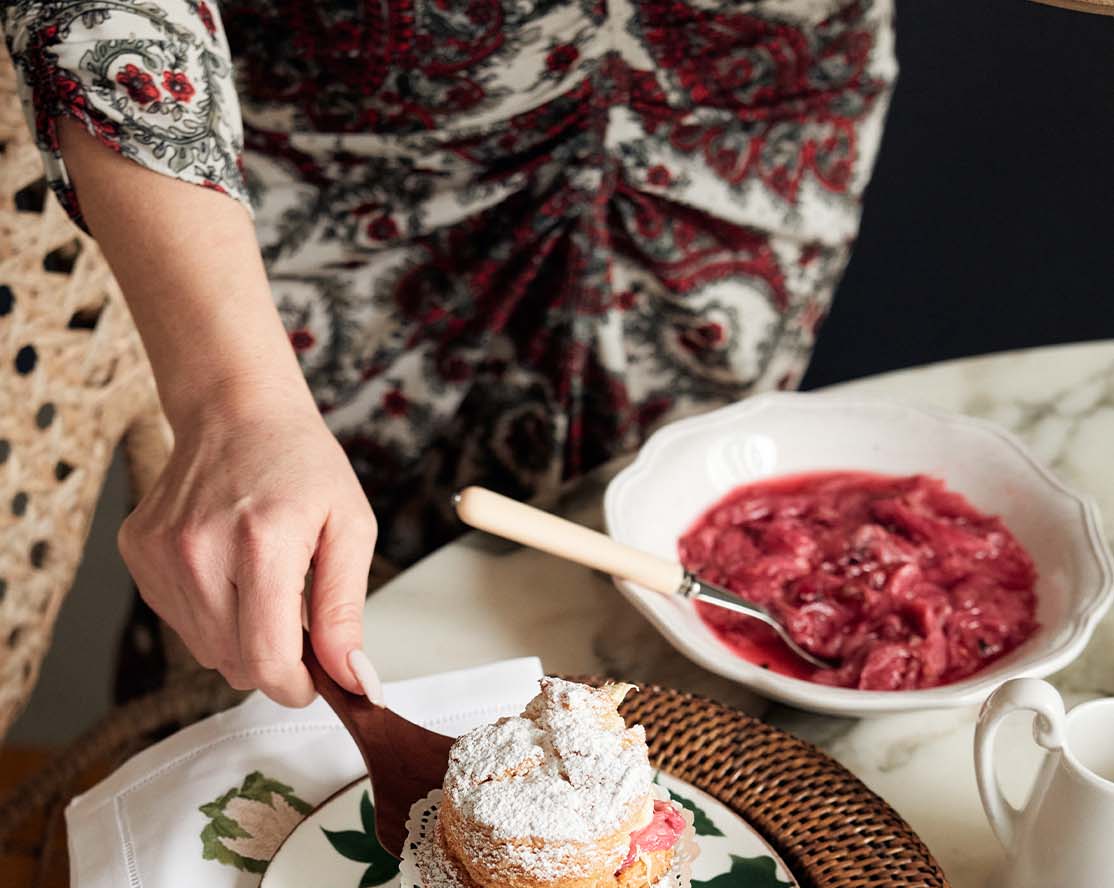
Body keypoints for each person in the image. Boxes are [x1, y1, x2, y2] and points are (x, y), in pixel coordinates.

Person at [4, 0, 895, 707]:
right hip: (349, 171)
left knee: (666, 608)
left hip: (736, 139)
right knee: (285, 601)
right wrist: (238, 404)